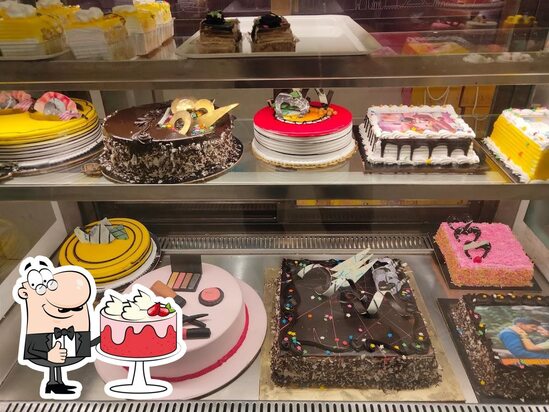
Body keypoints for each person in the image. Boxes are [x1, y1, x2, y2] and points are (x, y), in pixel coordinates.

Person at [13, 256, 99, 398]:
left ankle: (56, 383)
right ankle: (53, 384)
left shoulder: (77, 328)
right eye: (63, 310)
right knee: (53, 363)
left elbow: (84, 345)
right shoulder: (38, 332)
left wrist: (100, 338)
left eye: (77, 308)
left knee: (57, 363)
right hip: (45, 358)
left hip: (70, 356)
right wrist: (48, 355)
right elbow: (31, 350)